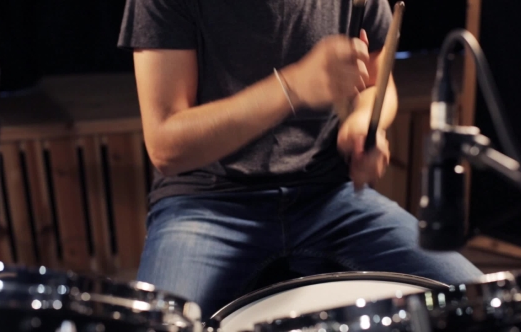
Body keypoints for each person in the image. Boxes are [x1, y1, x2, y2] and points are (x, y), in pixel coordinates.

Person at [117, 0, 483, 319]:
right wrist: (290, 87)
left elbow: (377, 85)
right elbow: (166, 146)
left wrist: (365, 124)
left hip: (330, 197)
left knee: (479, 303)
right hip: (205, 203)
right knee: (160, 323)